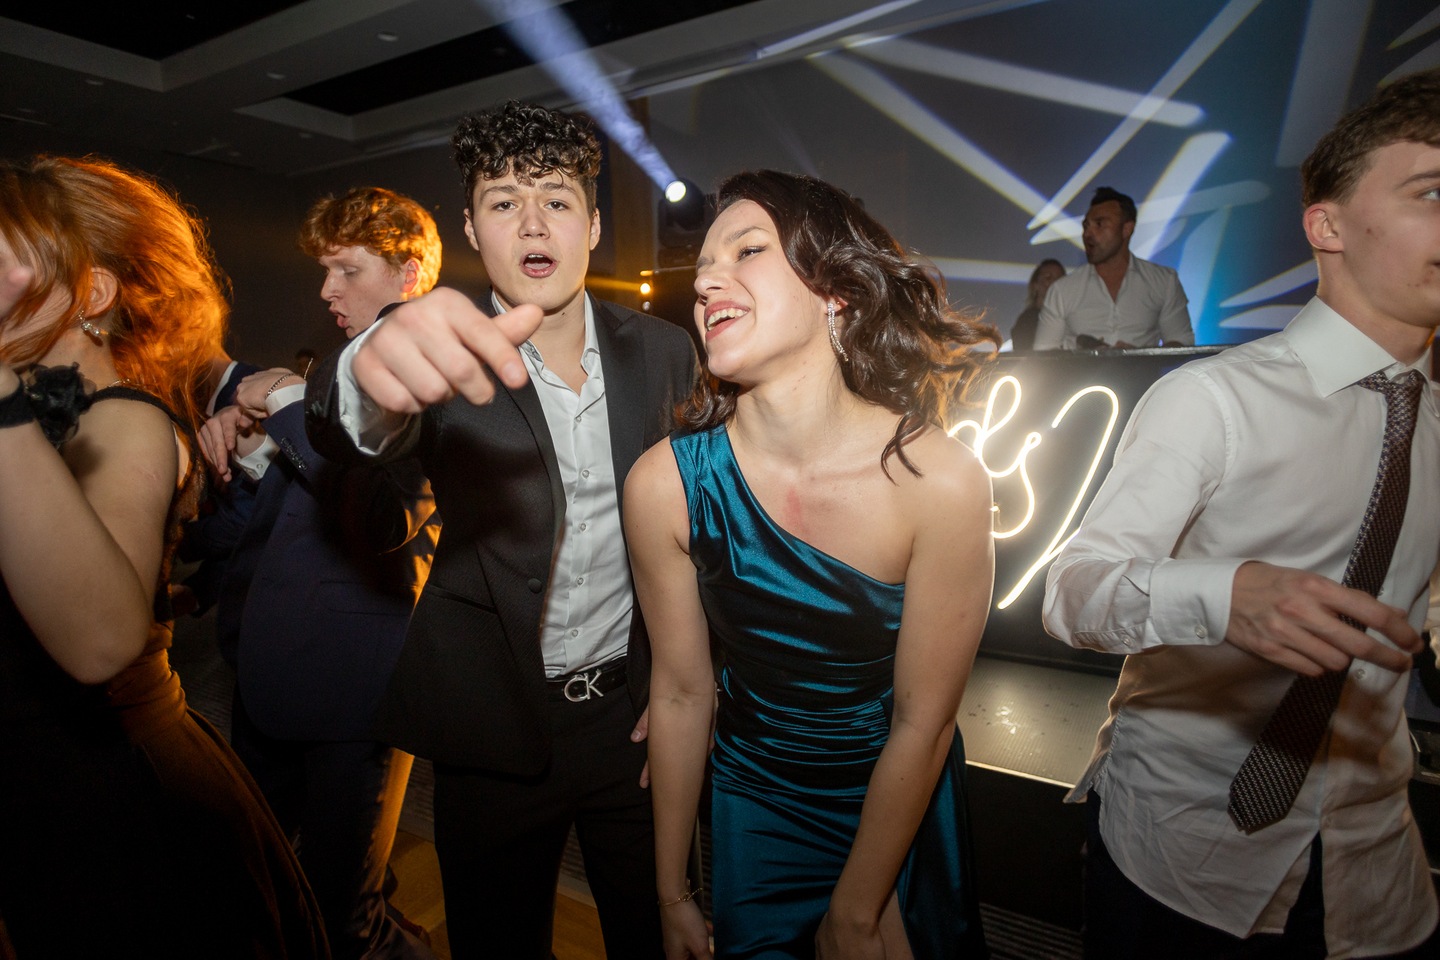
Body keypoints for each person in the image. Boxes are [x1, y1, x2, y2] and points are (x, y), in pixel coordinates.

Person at [1042, 68, 1440, 958]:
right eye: (1432, 191)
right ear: (1327, 227)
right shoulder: (1214, 400)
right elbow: (1072, 591)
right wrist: (1225, 598)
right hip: (1181, 850)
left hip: (1380, 868)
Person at [304, 101, 698, 959]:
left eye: (556, 200)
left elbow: (704, 535)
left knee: (657, 934)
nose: (532, 223)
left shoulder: (667, 352)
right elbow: (345, 428)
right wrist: (367, 372)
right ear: (472, 229)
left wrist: (688, 687)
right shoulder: (442, 354)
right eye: (503, 201)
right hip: (490, 727)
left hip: (632, 722)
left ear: (594, 226)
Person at [627, 170, 996, 959]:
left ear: (837, 292)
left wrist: (858, 912)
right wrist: (672, 894)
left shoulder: (941, 483)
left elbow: (924, 721)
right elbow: (684, 693)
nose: (708, 283)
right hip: (756, 801)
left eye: (747, 251)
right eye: (703, 271)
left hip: (899, 800)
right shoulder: (666, 487)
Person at [0, 155, 328, 958]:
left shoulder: (126, 420)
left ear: (92, 293)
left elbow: (99, 642)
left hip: (114, 803)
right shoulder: (38, 422)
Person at [200, 186, 442, 959]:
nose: (326, 290)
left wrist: (283, 398)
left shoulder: (430, 369)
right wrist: (250, 456)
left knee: (345, 917)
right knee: (266, 883)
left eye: (347, 270)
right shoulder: (344, 370)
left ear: (408, 274)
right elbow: (296, 516)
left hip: (352, 690)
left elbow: (385, 517)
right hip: (272, 673)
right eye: (325, 271)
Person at [1033, 186, 1192, 350]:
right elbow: (1044, 354)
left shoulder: (1164, 282)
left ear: (1127, 229)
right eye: (1086, 226)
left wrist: (1140, 356)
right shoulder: (1062, 290)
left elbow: (1182, 343)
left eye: (1099, 224)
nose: (1087, 234)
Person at [1010, 258, 1065, 351]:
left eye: (1060, 279)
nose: (1055, 283)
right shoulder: (1027, 321)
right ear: (1035, 285)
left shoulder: (1069, 319)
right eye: (1048, 278)